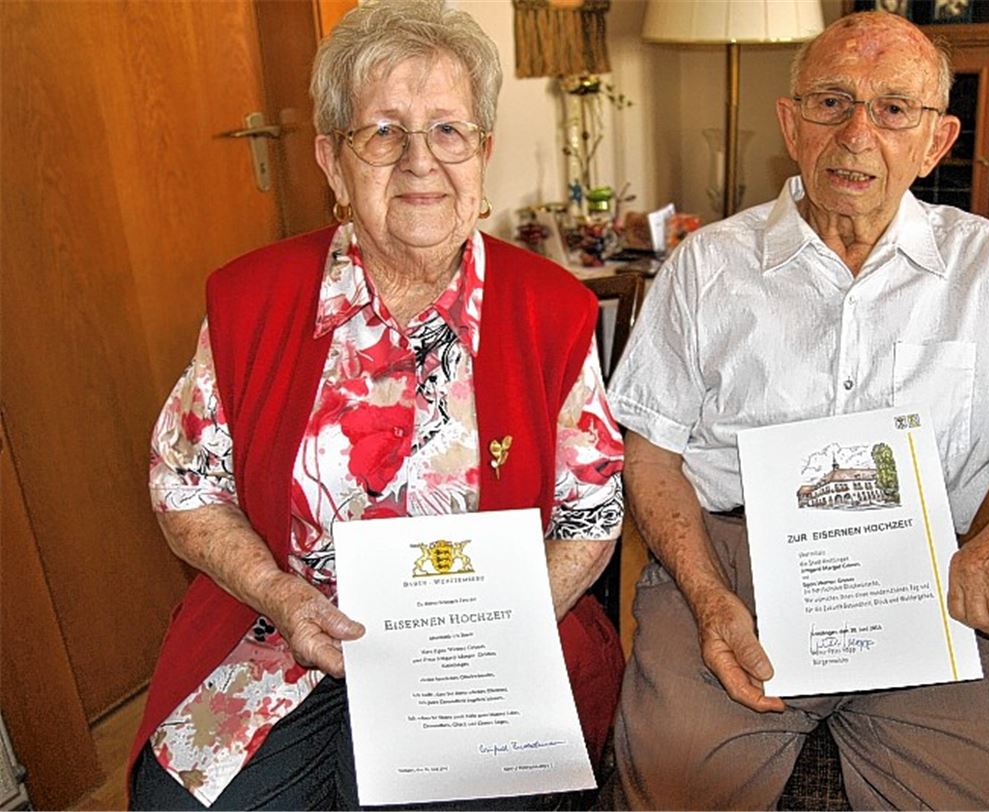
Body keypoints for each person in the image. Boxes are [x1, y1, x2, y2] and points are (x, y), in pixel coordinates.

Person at [606, 11, 989, 810]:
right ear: (791, 123)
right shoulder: (706, 266)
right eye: (831, 101)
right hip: (730, 566)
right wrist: (709, 599)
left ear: (937, 141)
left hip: (923, 578)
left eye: (894, 108)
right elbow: (649, 456)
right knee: (674, 792)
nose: (857, 133)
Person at [128, 2, 625, 808]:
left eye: (449, 131)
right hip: (284, 637)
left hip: (477, 655)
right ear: (332, 160)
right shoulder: (251, 300)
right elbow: (187, 486)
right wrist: (281, 596)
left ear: (484, 152)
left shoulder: (551, 311)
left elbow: (590, 516)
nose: (421, 162)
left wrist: (489, 634)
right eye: (383, 132)